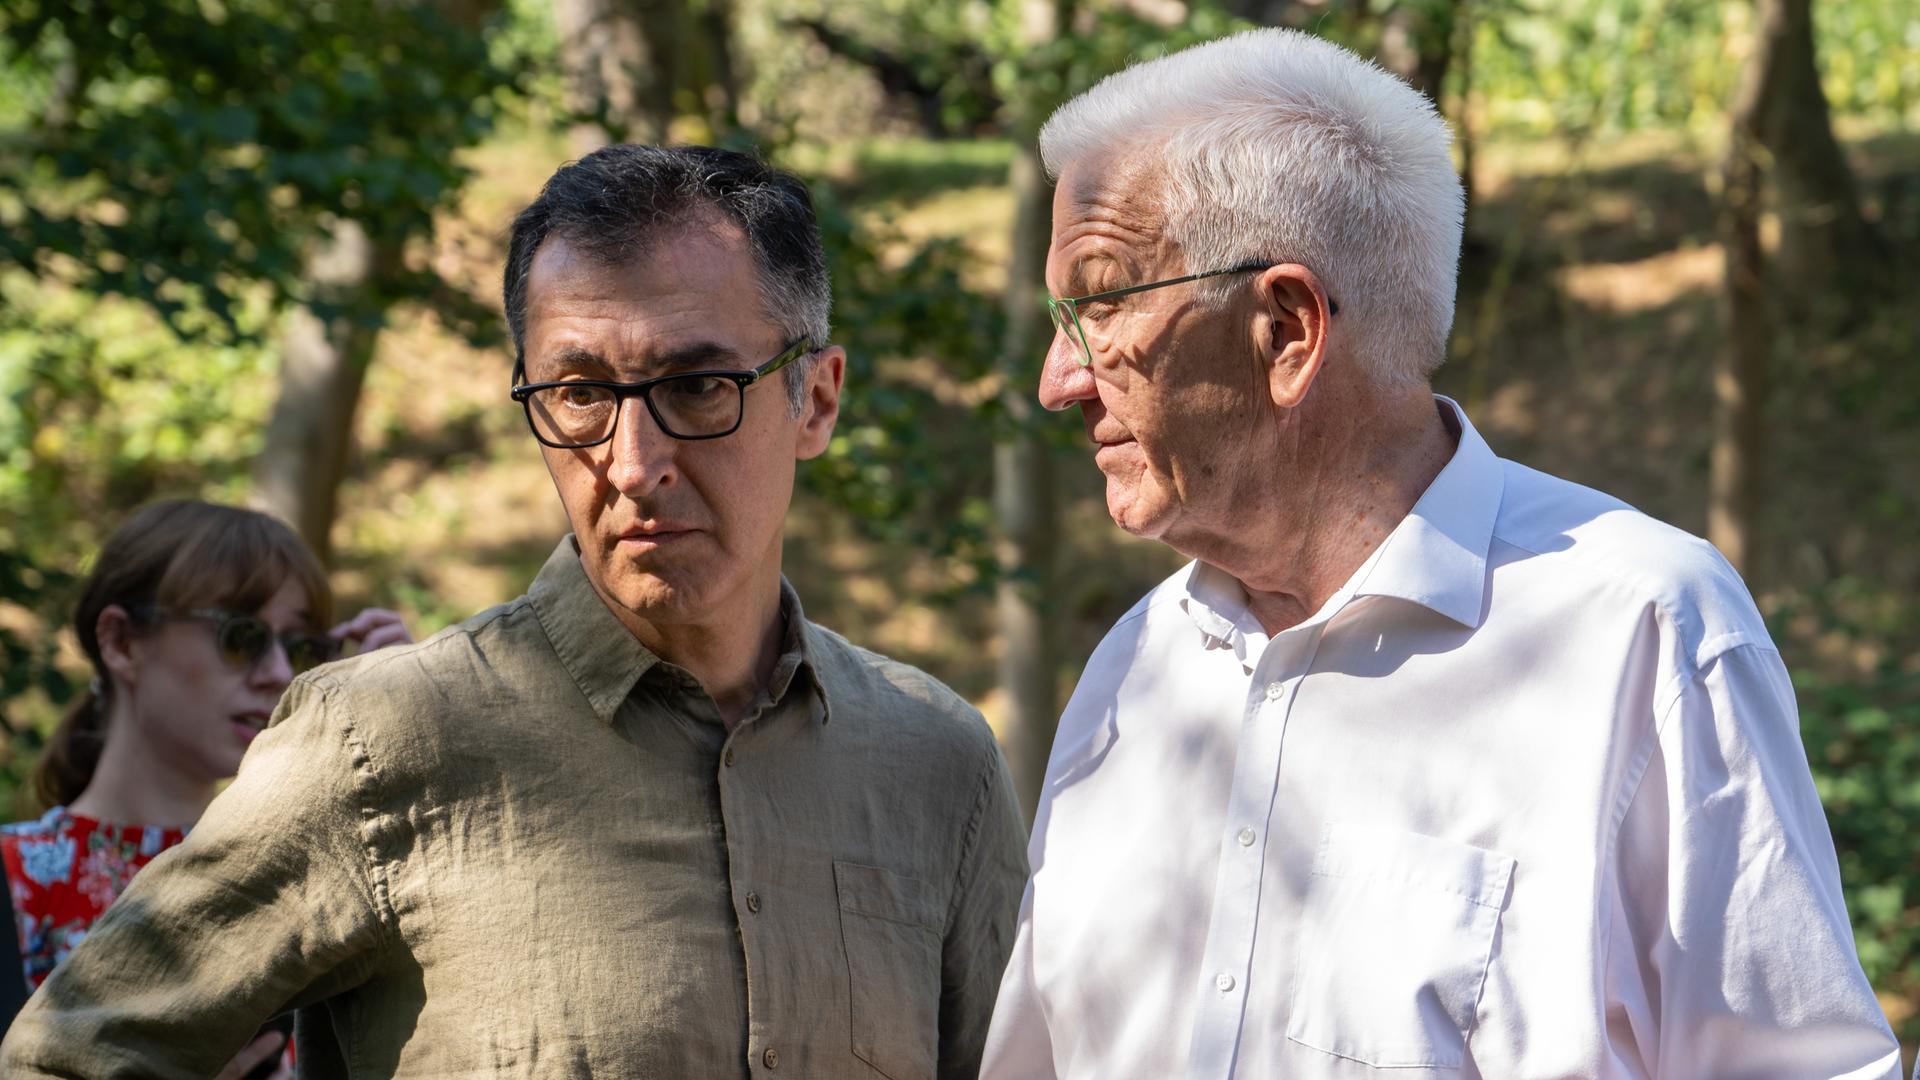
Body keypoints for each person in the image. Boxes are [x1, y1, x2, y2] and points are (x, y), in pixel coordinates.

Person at [978, 28, 1900, 1080]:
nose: (1061, 378)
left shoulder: (1641, 634)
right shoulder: (1133, 673)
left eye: (1101, 304)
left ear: (1286, 330)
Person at [2, 144, 1028, 1078]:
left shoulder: (936, 763)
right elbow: (67, 1058)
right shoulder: (379, 742)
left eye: (700, 385)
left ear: (817, 399)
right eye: (579, 394)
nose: (634, 465)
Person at [0, 499, 411, 1076]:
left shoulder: (316, 868)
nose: (277, 672)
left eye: (301, 648)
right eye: (241, 636)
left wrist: (407, 723)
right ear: (120, 641)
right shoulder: (13, 878)